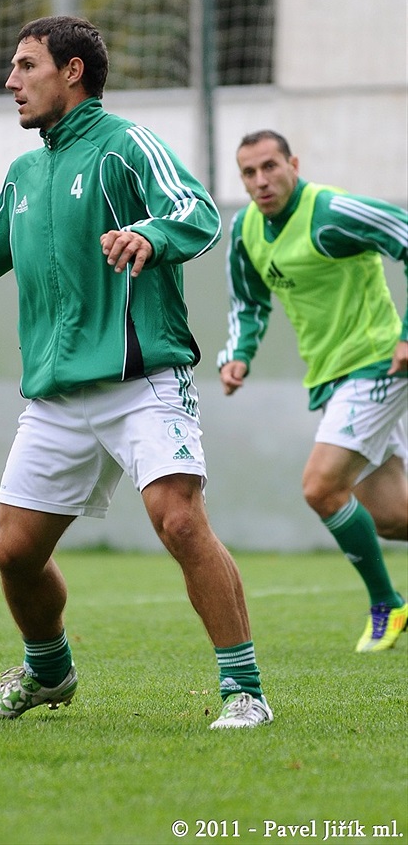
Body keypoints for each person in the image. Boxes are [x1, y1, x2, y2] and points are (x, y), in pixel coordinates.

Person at [0, 16, 273, 729]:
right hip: (57, 395)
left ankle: (244, 689)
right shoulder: (25, 173)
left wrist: (150, 234)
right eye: (13, 68)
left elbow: (196, 211)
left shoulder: (126, 145)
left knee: (180, 521)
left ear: (72, 72)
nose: (12, 81)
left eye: (26, 65)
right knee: (14, 551)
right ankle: (48, 672)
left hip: (143, 378)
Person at [218, 129, 408, 653]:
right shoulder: (247, 230)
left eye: (270, 167)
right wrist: (238, 354)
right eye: (249, 173)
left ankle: (387, 605)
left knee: (321, 487)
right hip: (330, 378)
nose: (261, 181)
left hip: (375, 364)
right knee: (392, 517)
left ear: (293, 164)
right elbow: (248, 302)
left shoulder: (333, 211)